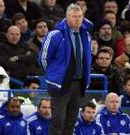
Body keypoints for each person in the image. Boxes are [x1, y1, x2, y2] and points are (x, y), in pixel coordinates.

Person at [39, 3, 91, 135]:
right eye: (74, 16)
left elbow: (87, 60)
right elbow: (43, 59)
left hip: (79, 84)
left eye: (80, 16)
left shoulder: (86, 36)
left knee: (71, 122)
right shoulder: (56, 35)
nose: (77, 19)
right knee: (58, 122)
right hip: (60, 84)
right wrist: (54, 74)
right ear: (67, 17)